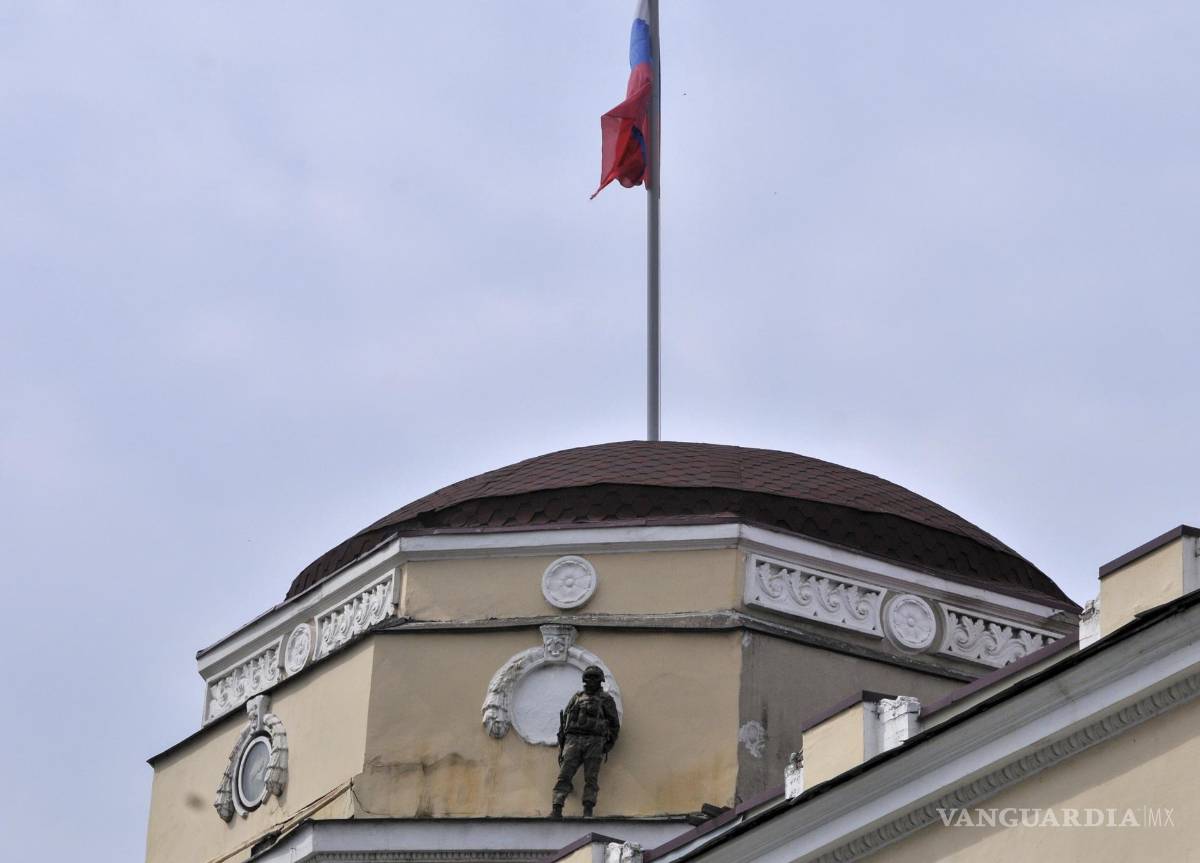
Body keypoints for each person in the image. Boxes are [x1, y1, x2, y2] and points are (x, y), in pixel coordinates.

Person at [550, 665, 619, 818]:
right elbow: (566, 719)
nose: (591, 681)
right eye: (589, 678)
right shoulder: (577, 697)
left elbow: (614, 724)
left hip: (595, 741)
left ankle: (588, 808)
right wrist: (562, 739)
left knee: (591, 777)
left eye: (595, 678)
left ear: (600, 681)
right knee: (565, 774)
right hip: (573, 740)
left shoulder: (606, 699)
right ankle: (557, 806)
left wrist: (608, 744)